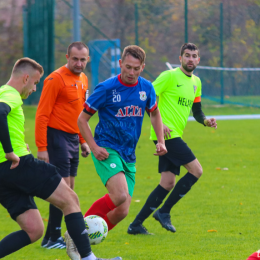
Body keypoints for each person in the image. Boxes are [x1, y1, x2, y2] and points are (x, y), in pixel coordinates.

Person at [0, 57, 121, 260]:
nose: (35, 88)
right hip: (18, 165)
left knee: (34, 229)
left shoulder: (4, 93)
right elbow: (0, 113)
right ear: (26, 77)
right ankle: (88, 258)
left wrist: (15, 143)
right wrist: (10, 150)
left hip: (2, 174)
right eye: (35, 82)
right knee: (70, 200)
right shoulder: (10, 94)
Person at [127, 43, 217, 235]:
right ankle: (164, 212)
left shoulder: (196, 82)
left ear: (198, 60)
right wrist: (160, 124)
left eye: (194, 56)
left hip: (174, 135)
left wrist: (206, 121)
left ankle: (135, 225)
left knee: (167, 183)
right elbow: (144, 96)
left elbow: (197, 110)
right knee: (196, 170)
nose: (190, 59)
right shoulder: (169, 76)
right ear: (180, 58)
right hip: (166, 136)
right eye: (187, 55)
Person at [77, 45, 167, 232]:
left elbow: (155, 113)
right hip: (106, 147)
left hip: (129, 153)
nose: (131, 72)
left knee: (122, 211)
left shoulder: (146, 88)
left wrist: (161, 141)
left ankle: (84, 243)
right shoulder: (107, 88)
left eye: (136, 68)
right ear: (120, 64)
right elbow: (82, 119)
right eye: (127, 67)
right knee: (119, 196)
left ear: (142, 67)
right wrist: (93, 146)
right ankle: (77, 233)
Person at [35, 41, 91, 249]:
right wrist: (42, 147)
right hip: (56, 137)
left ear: (87, 59)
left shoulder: (84, 79)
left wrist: (83, 141)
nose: (78, 63)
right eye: (74, 58)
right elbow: (41, 115)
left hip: (73, 139)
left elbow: (79, 114)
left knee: (70, 189)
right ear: (67, 57)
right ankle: (53, 237)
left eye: (82, 59)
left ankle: (50, 238)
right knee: (63, 191)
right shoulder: (55, 79)